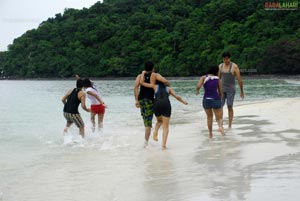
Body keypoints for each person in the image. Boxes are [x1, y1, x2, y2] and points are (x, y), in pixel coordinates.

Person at [140, 71, 188, 150]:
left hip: (157, 104)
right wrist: (184, 102)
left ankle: (155, 131)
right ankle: (163, 146)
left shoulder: (154, 87)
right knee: (166, 127)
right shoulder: (168, 88)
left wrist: (143, 73)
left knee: (159, 121)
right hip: (166, 104)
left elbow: (142, 83)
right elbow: (177, 97)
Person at [134, 61, 169, 147]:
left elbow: (136, 87)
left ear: (145, 68)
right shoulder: (156, 75)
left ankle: (147, 141)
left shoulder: (139, 76)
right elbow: (166, 82)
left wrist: (136, 100)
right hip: (150, 100)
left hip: (142, 100)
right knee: (154, 121)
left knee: (146, 120)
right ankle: (146, 143)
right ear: (153, 68)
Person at [196, 66, 224, 138]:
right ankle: (220, 127)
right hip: (215, 99)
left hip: (206, 99)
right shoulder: (218, 79)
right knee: (219, 117)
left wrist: (198, 91)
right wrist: (220, 99)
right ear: (216, 72)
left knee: (209, 117)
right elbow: (220, 91)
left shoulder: (203, 77)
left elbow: (198, 86)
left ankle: (210, 134)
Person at [218, 52, 244, 128]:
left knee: (229, 106)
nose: (226, 60)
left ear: (230, 58)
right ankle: (221, 125)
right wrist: (217, 89)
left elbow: (239, 80)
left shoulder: (234, 66)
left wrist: (242, 91)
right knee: (220, 106)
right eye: (224, 59)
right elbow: (218, 79)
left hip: (231, 89)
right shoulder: (220, 66)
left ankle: (230, 125)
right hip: (222, 89)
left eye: (227, 59)